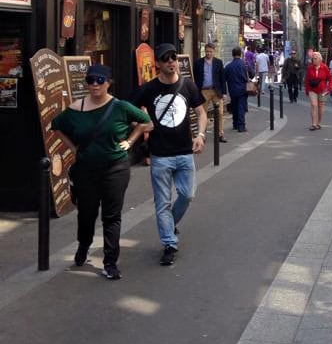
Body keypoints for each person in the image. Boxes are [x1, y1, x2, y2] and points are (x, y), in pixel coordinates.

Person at [52, 64, 152, 280]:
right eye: (90, 80)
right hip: (86, 170)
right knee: (87, 213)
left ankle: (110, 262)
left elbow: (147, 123)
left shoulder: (121, 106)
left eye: (100, 80)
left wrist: (130, 140)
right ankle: (84, 245)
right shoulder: (75, 109)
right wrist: (73, 148)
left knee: (112, 216)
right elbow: (56, 126)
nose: (95, 84)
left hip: (115, 168)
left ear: (109, 82)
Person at [131, 43, 207, 266]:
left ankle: (169, 224)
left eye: (173, 57)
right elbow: (127, 111)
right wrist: (142, 125)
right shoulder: (148, 89)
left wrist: (200, 135)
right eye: (166, 59)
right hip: (160, 155)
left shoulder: (188, 85)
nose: (171, 62)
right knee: (162, 203)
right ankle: (169, 243)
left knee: (188, 194)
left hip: (185, 152)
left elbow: (201, 112)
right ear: (158, 64)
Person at [194, 42, 227, 143]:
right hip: (204, 91)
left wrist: (224, 93)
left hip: (216, 90)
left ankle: (220, 134)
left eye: (210, 52)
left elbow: (222, 78)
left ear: (214, 52)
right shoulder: (198, 62)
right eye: (207, 51)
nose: (208, 53)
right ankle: (202, 135)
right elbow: (195, 77)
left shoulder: (218, 62)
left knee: (220, 113)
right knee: (203, 114)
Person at [305, 51, 332, 130]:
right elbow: (307, 80)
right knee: (314, 105)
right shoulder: (310, 68)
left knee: (321, 107)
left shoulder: (324, 67)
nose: (313, 60)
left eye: (315, 58)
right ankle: (313, 124)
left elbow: (330, 78)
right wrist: (307, 90)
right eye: (313, 59)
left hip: (323, 90)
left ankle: (319, 122)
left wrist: (329, 88)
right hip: (312, 89)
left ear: (320, 60)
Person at [225, 47, 249, 132]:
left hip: (232, 89)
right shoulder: (244, 64)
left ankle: (235, 124)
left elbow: (225, 78)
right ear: (240, 54)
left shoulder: (228, 66)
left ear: (232, 55)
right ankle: (241, 126)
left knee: (234, 107)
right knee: (241, 107)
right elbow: (252, 74)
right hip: (242, 89)